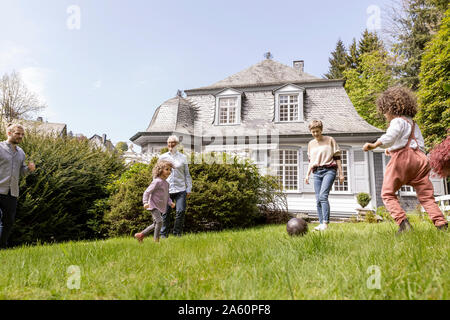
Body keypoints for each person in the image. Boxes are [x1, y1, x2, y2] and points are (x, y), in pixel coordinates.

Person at [363, 86, 448, 233]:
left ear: (391, 108)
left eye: (384, 111)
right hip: (421, 160)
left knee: (387, 193)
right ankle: (441, 224)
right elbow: (414, 143)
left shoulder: (397, 121)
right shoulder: (413, 124)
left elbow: (390, 137)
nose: (384, 115)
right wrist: (390, 149)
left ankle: (403, 224)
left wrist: (374, 144)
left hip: (404, 159)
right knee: (426, 197)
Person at [304, 120, 345, 231]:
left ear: (321, 130)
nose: (315, 134)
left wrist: (341, 173)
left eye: (317, 131)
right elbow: (311, 161)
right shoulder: (310, 144)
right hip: (316, 172)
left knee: (323, 196)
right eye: (313, 132)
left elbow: (337, 158)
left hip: (329, 170)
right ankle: (321, 223)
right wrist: (307, 175)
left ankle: (325, 224)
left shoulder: (330, 140)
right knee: (318, 199)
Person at [0, 123, 36, 249]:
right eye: (18, 133)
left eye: (22, 134)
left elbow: (21, 171)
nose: (20, 136)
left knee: (8, 222)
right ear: (9, 133)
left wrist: (29, 169)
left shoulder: (21, 153)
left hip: (12, 192)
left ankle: (2, 247)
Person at [159, 135, 192, 237]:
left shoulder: (183, 157)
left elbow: (187, 174)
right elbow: (157, 173)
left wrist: (189, 188)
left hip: (180, 189)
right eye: (169, 142)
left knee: (181, 211)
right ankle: (163, 235)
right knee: (165, 214)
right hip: (166, 189)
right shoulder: (162, 157)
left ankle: (177, 234)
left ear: (177, 144)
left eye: (173, 142)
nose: (170, 144)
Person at [134, 160, 175, 243]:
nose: (169, 171)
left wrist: (170, 202)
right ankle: (156, 241)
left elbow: (167, 195)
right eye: (167, 169)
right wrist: (145, 202)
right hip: (152, 205)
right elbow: (147, 192)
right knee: (160, 221)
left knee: (156, 223)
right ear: (160, 170)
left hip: (159, 206)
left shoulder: (166, 183)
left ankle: (141, 235)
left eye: (170, 170)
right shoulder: (156, 181)